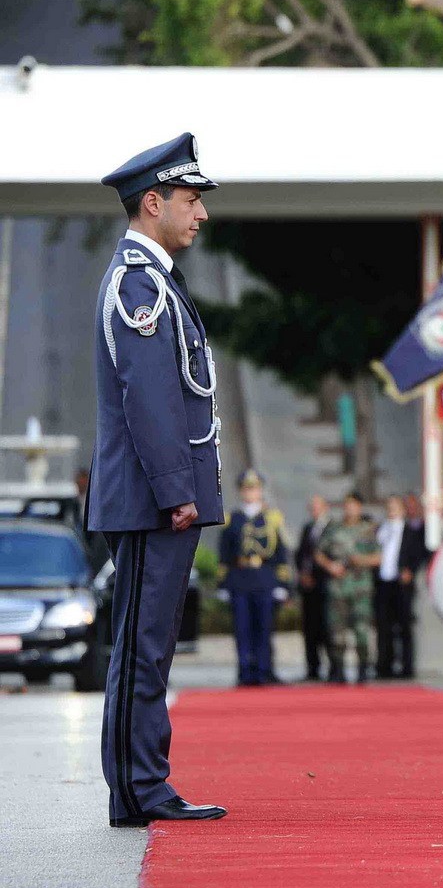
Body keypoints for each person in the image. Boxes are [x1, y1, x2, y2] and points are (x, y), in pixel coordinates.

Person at [89, 132, 226, 827]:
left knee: (151, 648)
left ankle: (147, 782)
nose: (199, 214)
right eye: (190, 200)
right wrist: (177, 491)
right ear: (153, 203)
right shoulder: (138, 285)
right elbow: (149, 401)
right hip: (150, 502)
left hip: (157, 499)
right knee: (140, 650)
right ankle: (138, 789)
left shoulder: (156, 281)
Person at [216, 469, 292, 686]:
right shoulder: (233, 518)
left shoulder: (272, 518)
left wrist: (283, 583)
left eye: (254, 489)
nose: (250, 493)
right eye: (246, 489)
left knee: (265, 627)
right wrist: (223, 582)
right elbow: (225, 553)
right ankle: (245, 672)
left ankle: (265, 670)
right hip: (240, 579)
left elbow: (281, 553)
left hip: (265, 577)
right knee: (242, 629)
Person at [315, 493, 381, 683]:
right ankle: (338, 670)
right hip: (338, 588)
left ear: (360, 507)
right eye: (347, 505)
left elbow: (379, 557)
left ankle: (363, 669)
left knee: (362, 631)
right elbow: (319, 553)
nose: (350, 509)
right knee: (336, 632)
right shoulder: (334, 529)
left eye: (354, 505)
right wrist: (331, 566)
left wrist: (360, 560)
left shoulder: (369, 529)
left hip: (361, 589)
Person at [374, 494, 421, 679]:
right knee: (384, 626)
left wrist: (410, 570)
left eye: (395, 506)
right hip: (383, 583)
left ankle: (406, 667)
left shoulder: (411, 530)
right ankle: (384, 666)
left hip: (402, 584)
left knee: (404, 626)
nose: (391, 510)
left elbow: (417, 554)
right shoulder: (381, 530)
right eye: (389, 506)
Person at [295, 494, 333, 681]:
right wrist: (302, 574)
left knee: (327, 628)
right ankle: (312, 668)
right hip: (307, 586)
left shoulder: (332, 528)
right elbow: (300, 554)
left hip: (325, 585)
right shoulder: (307, 528)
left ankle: (333, 667)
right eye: (312, 506)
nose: (314, 509)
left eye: (318, 506)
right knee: (309, 629)